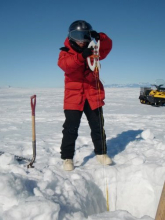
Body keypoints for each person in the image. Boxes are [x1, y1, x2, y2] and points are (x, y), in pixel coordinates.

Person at [58, 20, 112, 171]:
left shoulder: (94, 50)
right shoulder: (65, 52)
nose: (81, 40)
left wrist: (101, 37)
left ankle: (101, 153)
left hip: (93, 94)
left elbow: (107, 48)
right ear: (70, 37)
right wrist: (81, 56)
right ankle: (67, 158)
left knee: (98, 126)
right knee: (70, 129)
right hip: (73, 97)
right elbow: (66, 66)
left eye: (84, 36)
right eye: (77, 36)